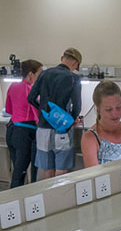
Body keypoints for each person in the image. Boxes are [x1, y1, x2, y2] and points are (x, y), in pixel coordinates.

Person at [28, 47, 83, 179]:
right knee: (61, 171)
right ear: (75, 64)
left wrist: (44, 110)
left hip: (42, 130)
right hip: (62, 129)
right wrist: (70, 120)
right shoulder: (74, 78)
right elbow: (77, 106)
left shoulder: (44, 74)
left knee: (48, 170)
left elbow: (31, 98)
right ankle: (60, 198)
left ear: (62, 58)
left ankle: (49, 199)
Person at [80, 81, 121, 168]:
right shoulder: (90, 138)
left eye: (118, 108)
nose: (115, 114)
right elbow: (93, 177)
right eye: (109, 109)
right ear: (98, 109)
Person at [5, 59, 43, 187]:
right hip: (25, 134)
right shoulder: (31, 90)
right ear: (31, 74)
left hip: (12, 131)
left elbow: (9, 110)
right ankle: (15, 203)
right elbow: (38, 116)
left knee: (18, 171)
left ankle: (16, 200)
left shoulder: (13, 86)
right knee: (20, 174)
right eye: (39, 73)